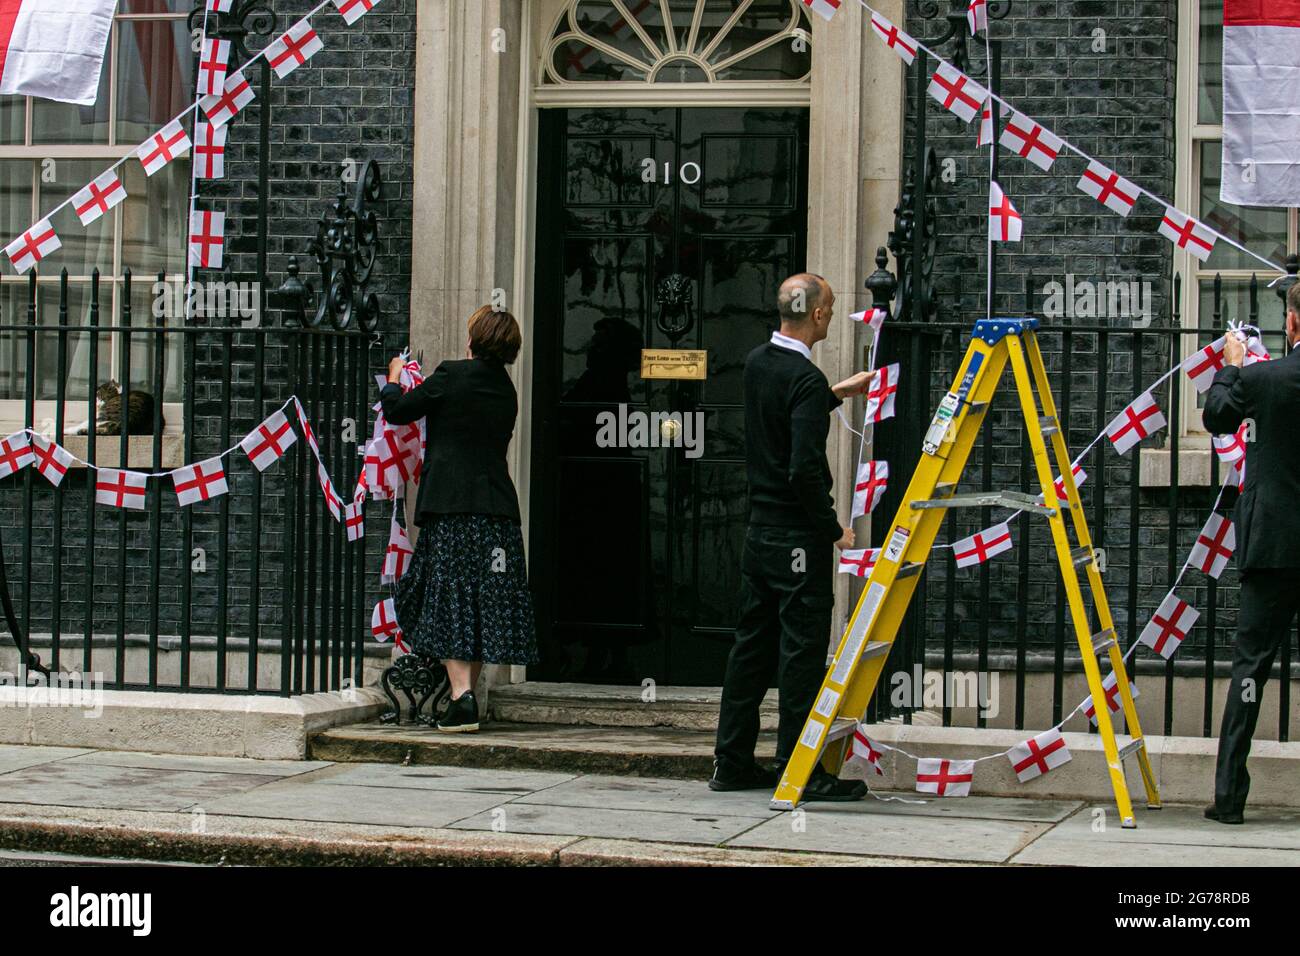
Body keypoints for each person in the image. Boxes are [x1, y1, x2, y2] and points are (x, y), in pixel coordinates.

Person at [712, 273, 877, 799]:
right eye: (829, 305)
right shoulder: (803, 380)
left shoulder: (759, 362)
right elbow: (803, 469)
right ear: (820, 315)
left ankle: (731, 761)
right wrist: (834, 529)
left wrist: (833, 394)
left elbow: (781, 417)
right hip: (798, 540)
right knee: (801, 653)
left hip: (759, 533)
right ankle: (799, 770)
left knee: (750, 648)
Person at [381, 306, 538, 733]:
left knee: (448, 597)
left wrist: (395, 376)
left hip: (451, 508)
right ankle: (463, 697)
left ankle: (461, 696)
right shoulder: (507, 391)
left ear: (474, 340)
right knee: (483, 601)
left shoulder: (451, 375)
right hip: (497, 513)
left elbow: (398, 411)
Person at [1202, 281, 1300, 823]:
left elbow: (1217, 414)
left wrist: (1233, 363)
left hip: (1274, 548)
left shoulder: (1263, 379)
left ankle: (1230, 799)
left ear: (1291, 324)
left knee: (1250, 673)